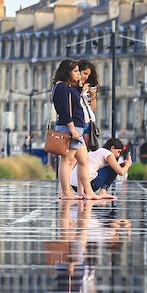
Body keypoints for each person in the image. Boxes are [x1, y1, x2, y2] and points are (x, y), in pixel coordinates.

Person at [50, 59, 94, 200]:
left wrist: (81, 87)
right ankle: (65, 192)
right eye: (75, 71)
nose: (78, 74)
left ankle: (86, 192)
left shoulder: (68, 87)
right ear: (67, 72)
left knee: (83, 160)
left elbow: (74, 99)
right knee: (67, 160)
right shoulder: (61, 87)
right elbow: (64, 110)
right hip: (70, 128)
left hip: (77, 127)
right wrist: (72, 128)